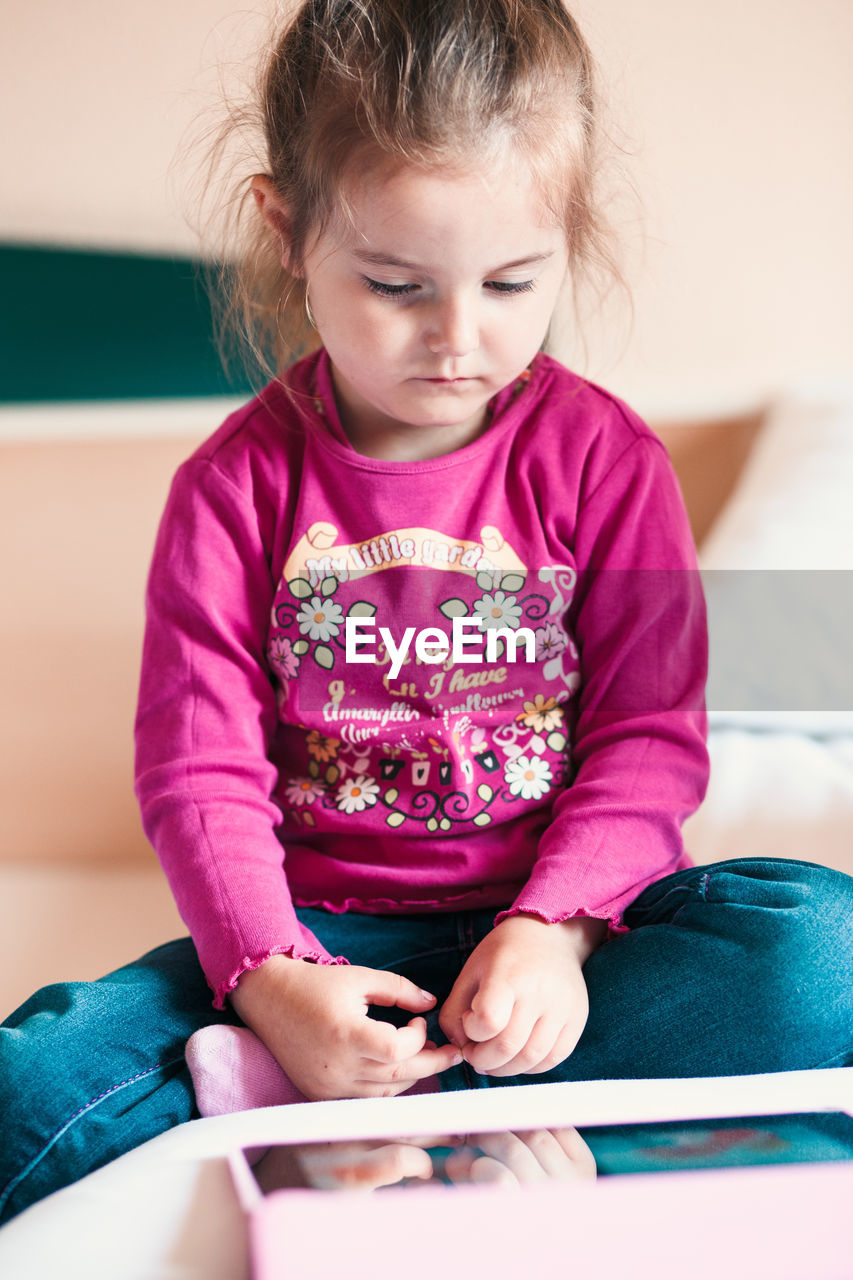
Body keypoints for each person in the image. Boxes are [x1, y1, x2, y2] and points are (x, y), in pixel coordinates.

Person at [2, 0, 851, 1226]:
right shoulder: (232, 489)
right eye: (396, 284)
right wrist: (273, 977)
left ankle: (425, 1116)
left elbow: (647, 740)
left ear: (566, 240)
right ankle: (348, 1088)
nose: (459, 337)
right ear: (286, 233)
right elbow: (199, 771)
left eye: (512, 280)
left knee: (817, 950)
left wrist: (553, 928)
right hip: (317, 947)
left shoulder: (609, 464)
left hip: (568, 945)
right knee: (29, 1080)